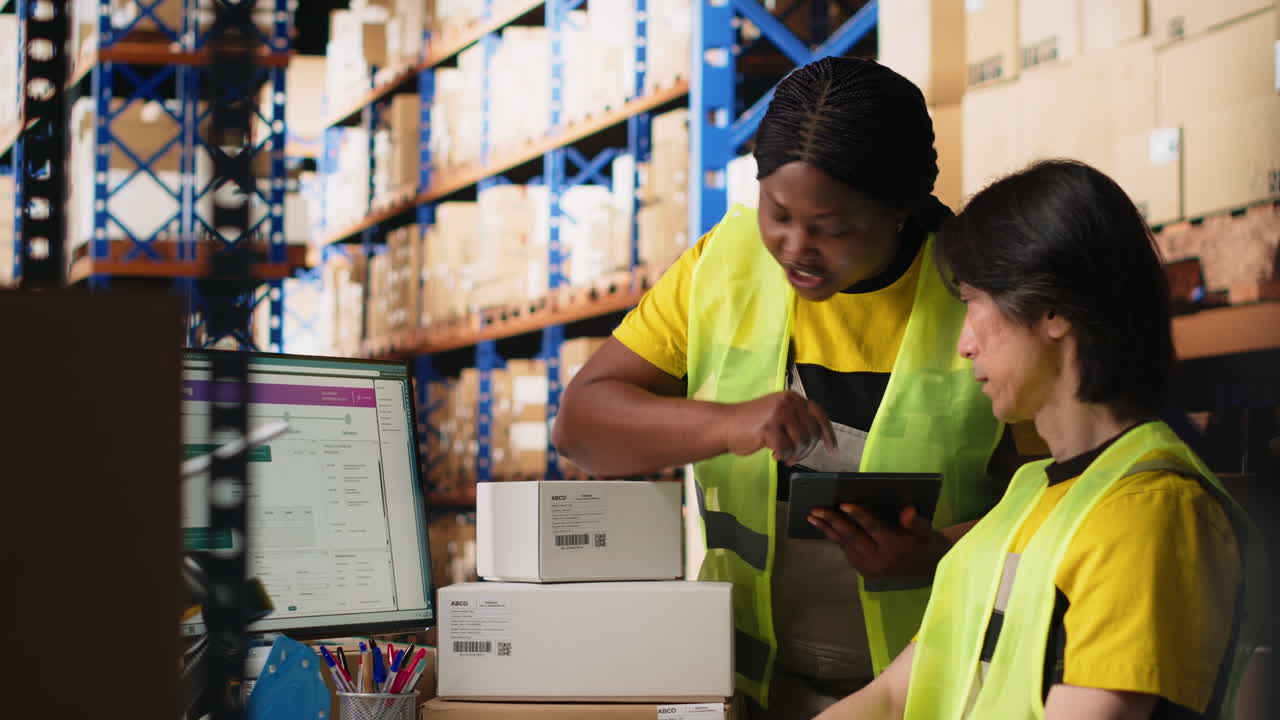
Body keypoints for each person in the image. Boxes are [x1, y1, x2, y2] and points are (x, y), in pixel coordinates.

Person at [552, 56, 1016, 718]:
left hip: (927, 693)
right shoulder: (723, 265)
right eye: (778, 212)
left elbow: (1064, 495)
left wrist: (939, 551)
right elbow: (581, 427)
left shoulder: (980, 291)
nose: (796, 247)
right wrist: (723, 423)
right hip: (740, 689)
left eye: (832, 228)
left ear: (899, 209)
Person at [816, 160, 1264, 720]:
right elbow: (889, 697)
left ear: (1053, 309)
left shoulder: (1148, 512)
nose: (965, 344)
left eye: (975, 302)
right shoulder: (1028, 498)